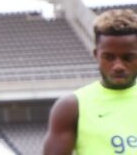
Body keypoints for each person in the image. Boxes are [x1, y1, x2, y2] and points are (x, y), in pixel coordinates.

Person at [43, 8, 137, 155]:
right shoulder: (71, 106)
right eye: (109, 57)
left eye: (128, 57)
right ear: (96, 55)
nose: (118, 66)